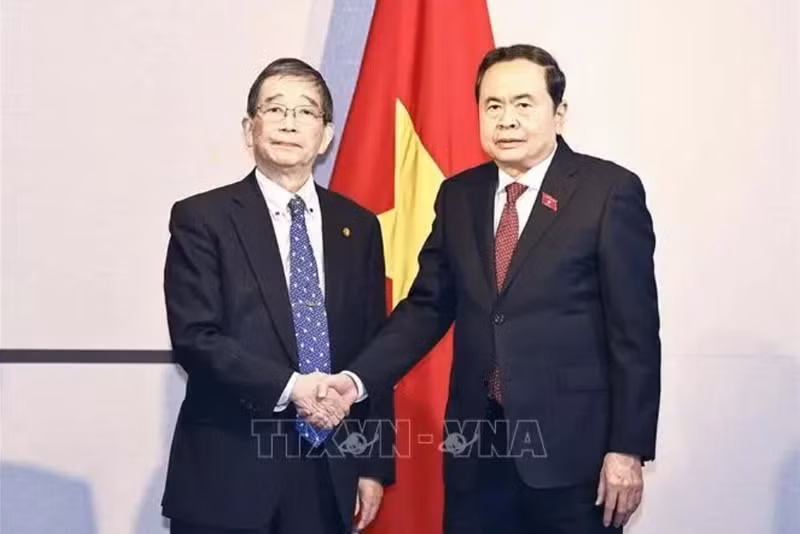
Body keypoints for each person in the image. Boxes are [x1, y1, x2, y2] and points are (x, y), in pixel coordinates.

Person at [319, 44, 661, 533]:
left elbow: (636, 335)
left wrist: (627, 447)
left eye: (524, 104)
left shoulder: (608, 192)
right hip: (475, 456)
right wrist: (355, 381)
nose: (507, 120)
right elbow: (426, 308)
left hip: (573, 458)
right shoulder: (459, 195)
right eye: (493, 106)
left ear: (558, 113)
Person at [162, 57, 394, 534]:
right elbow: (195, 338)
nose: (290, 123)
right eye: (275, 109)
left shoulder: (359, 226)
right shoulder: (202, 218)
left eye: (306, 112)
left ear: (326, 134)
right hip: (229, 471)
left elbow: (377, 348)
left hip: (328, 469)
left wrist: (373, 462)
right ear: (250, 129)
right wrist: (294, 388)